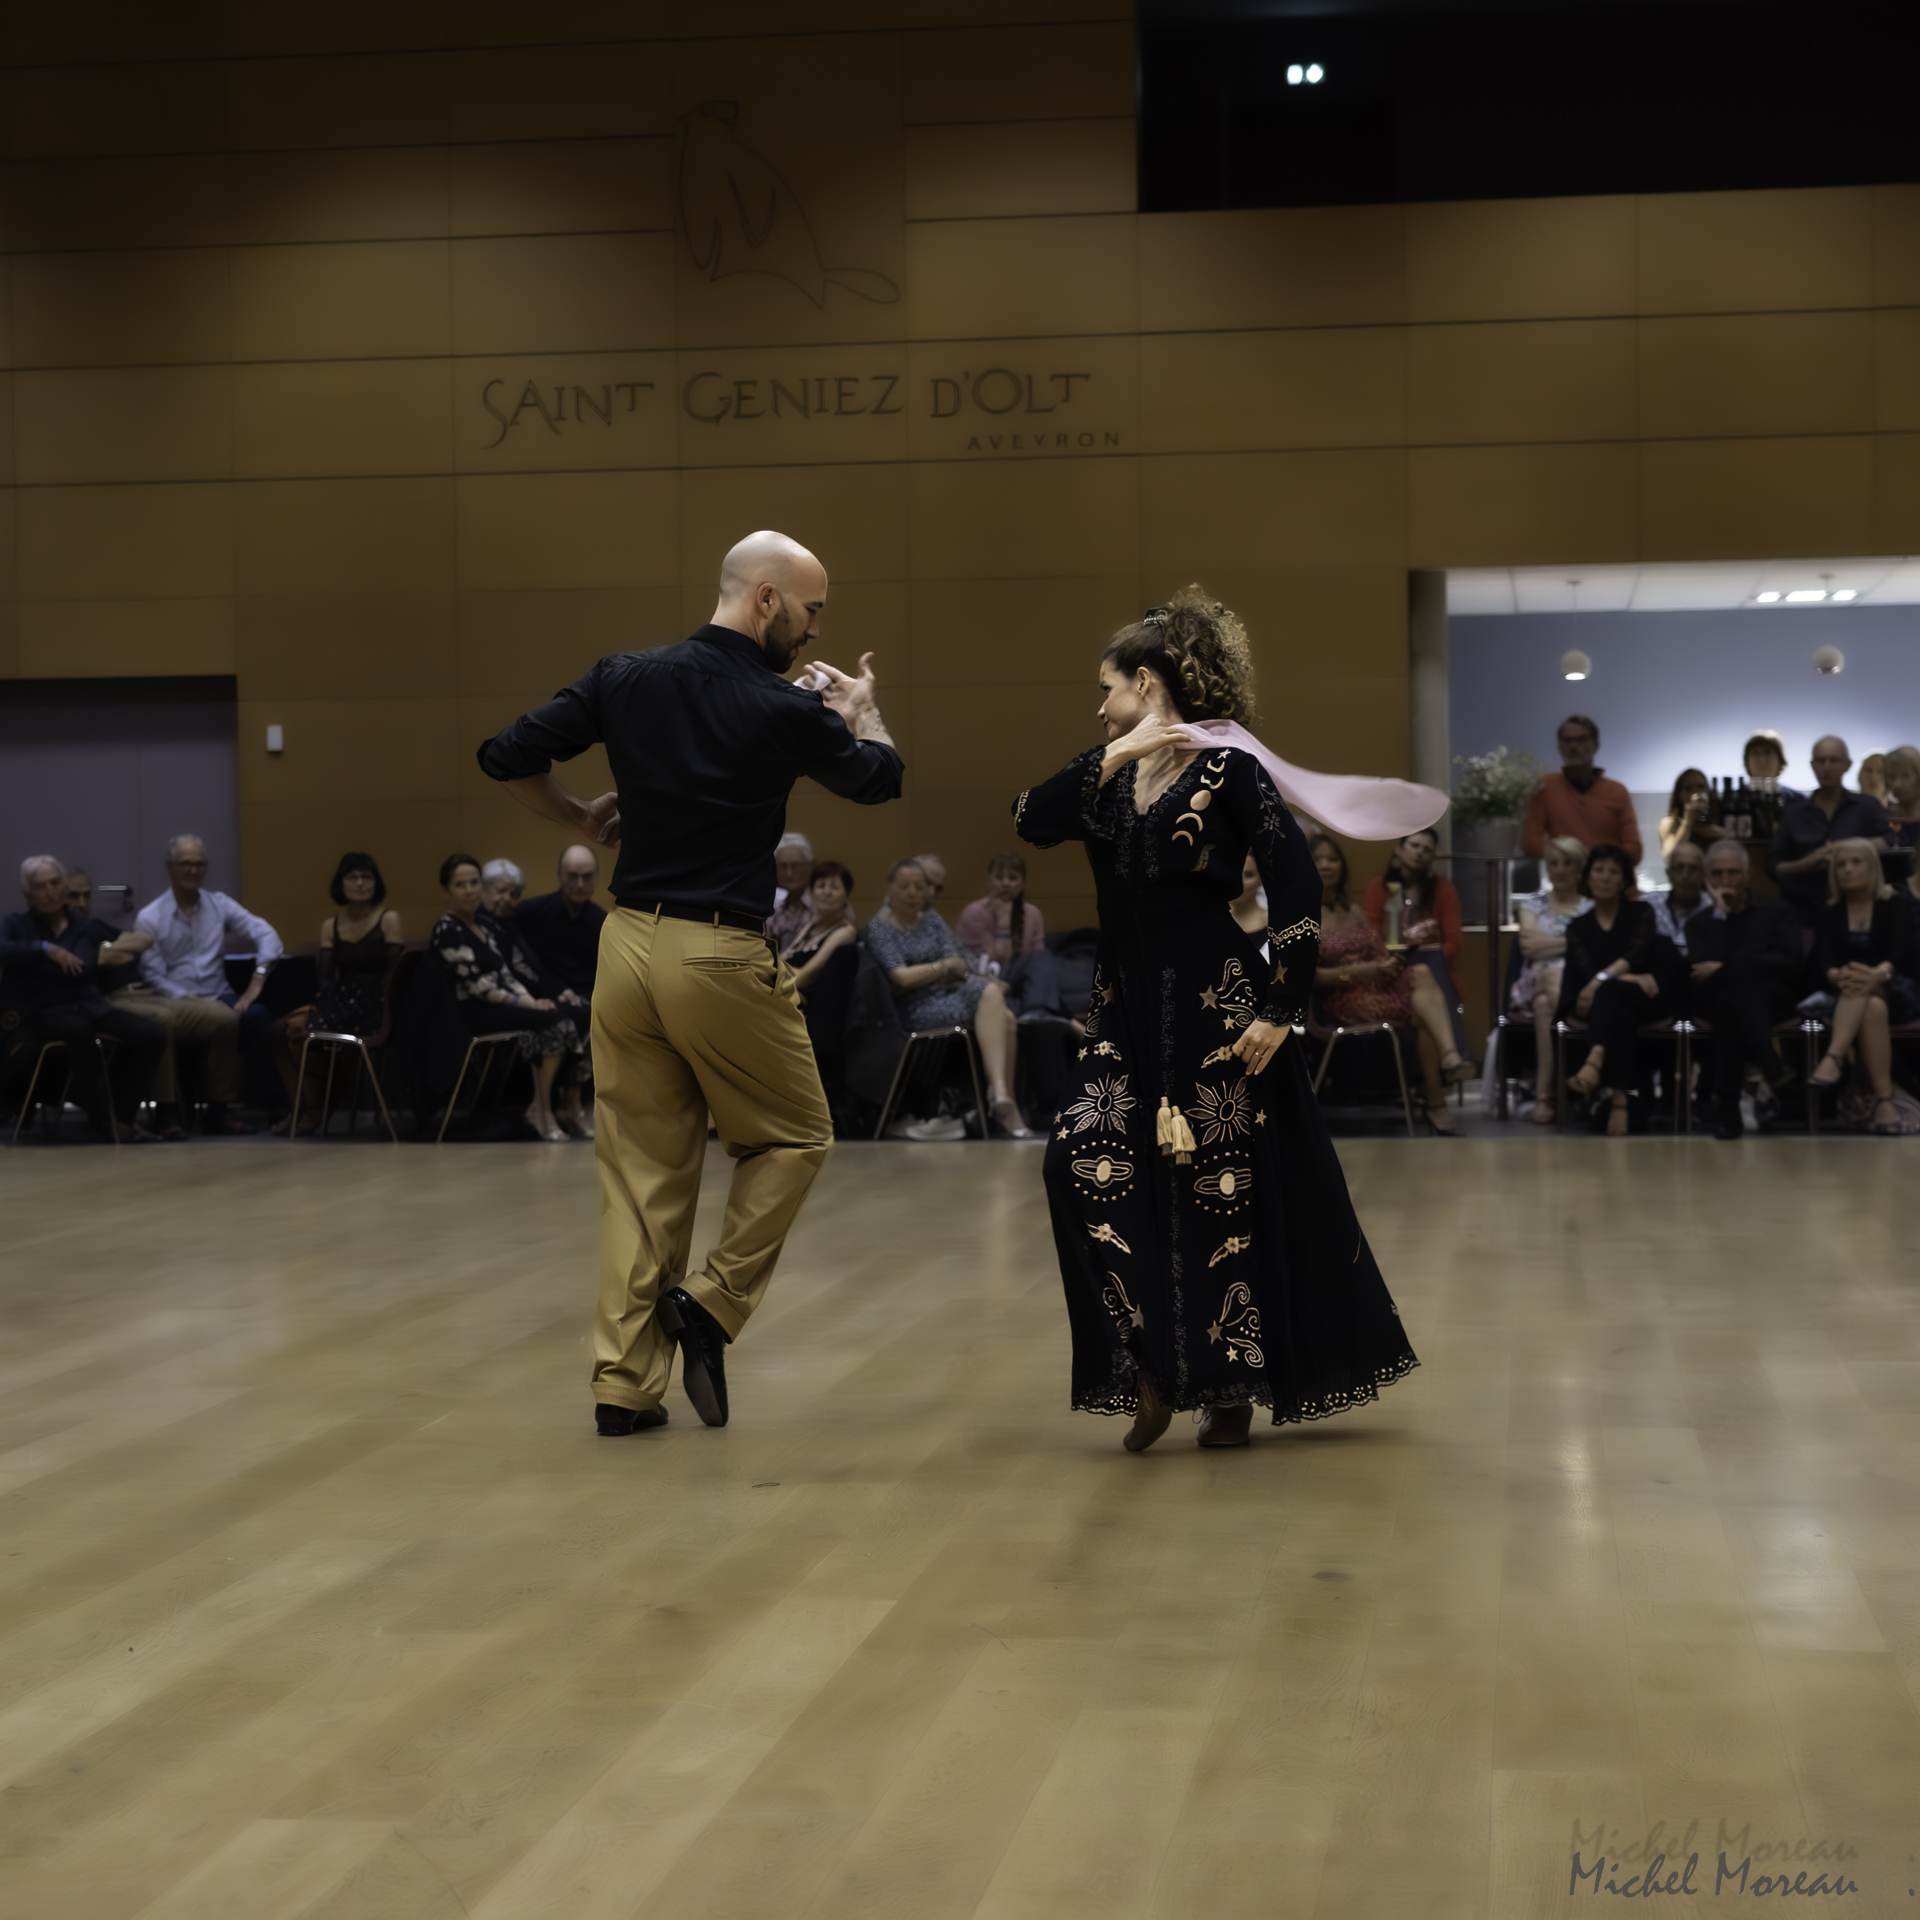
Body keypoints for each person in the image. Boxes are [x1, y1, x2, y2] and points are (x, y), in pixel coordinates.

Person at [477, 529, 905, 1436]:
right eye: (811, 610)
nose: (817, 633)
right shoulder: (785, 708)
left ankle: (625, 1390)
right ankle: (711, 1305)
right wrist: (864, 712)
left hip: (625, 947)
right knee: (794, 1136)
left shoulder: (626, 675)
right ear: (764, 601)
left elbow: (505, 755)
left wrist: (576, 820)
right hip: (718, 951)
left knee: (640, 1169)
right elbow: (878, 783)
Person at [1013, 586, 1418, 1453]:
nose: (1099, 704)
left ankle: (1227, 1382)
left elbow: (1298, 885)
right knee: (1072, 1166)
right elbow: (1025, 816)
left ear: (1148, 681)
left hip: (1217, 1010)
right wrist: (1115, 756)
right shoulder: (1104, 777)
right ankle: (1151, 1357)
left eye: (1108, 686)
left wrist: (1281, 1004)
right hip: (1123, 1015)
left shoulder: (1229, 768)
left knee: (1215, 1192)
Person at [112, 834, 283, 1137]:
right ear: (170, 867)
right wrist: (196, 1004)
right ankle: (169, 1112)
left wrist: (258, 978)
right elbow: (153, 977)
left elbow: (267, 934)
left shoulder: (219, 905)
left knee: (257, 1017)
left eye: (200, 863)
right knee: (170, 1023)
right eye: (186, 863)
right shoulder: (151, 916)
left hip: (220, 994)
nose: (193, 870)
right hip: (175, 1000)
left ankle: (268, 1110)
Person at [1311, 833, 1474, 1134]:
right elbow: (1313, 978)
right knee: (1424, 1012)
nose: (1325, 865)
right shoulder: (1300, 915)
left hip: (1374, 985)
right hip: (1337, 998)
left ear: (1342, 866)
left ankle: (1449, 1060)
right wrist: (1362, 972)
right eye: (1317, 859)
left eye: (1332, 859)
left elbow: (1380, 955)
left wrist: (1388, 964)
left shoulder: (1353, 911)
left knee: (1423, 972)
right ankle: (1439, 1096)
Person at [1, 856, 165, 1142]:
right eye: (41, 886)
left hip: (90, 1006)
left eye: (55, 883)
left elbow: (142, 939)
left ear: (64, 888)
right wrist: (45, 949)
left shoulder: (86, 927)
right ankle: (99, 1118)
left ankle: (122, 1118)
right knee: (79, 1030)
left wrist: (105, 952)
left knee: (150, 1034)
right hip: (45, 1012)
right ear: (28, 893)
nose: (50, 891)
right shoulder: (17, 925)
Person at [864, 858, 1032, 1137]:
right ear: (890, 888)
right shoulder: (879, 928)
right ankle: (1002, 1099)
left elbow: (961, 962)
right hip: (912, 1009)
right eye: (904, 886)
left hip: (949, 995)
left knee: (1007, 1017)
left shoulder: (931, 919)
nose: (913, 892)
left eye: (920, 886)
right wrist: (942, 968)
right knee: (993, 998)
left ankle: (1002, 1100)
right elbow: (901, 978)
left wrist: (940, 970)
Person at [431, 855, 583, 1143]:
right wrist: (524, 1004)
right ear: (447, 890)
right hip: (470, 1013)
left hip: (499, 1008)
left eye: (474, 882)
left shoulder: (482, 927)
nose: (469, 890)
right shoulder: (447, 929)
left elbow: (506, 974)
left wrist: (529, 999)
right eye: (460, 884)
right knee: (555, 1022)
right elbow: (478, 986)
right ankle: (542, 1110)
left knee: (549, 1022)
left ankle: (540, 1107)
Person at [268, 852, 403, 1136]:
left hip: (377, 1003)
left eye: (366, 876)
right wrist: (324, 1006)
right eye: (352, 877)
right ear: (340, 883)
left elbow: (395, 975)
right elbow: (327, 978)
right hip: (341, 999)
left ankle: (315, 1110)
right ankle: (302, 1109)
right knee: (280, 1030)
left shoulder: (389, 918)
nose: (359, 883)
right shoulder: (331, 924)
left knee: (304, 1032)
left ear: (375, 882)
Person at [1685, 839, 1803, 1140]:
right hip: (1717, 1000)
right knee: (1729, 999)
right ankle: (1768, 1060)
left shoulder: (1776, 909)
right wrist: (1721, 915)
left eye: (1733, 872)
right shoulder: (1701, 923)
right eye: (1718, 874)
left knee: (1736, 989)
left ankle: (1727, 1109)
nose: (1726, 880)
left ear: (1747, 874)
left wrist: (1730, 966)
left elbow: (1791, 961)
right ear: (1707, 879)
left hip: (1772, 997)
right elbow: (1700, 970)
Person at [1558, 843, 1678, 1136]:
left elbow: (1636, 956)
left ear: (1624, 881)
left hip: (1645, 999)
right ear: (1587, 878)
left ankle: (1594, 1062)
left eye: (1614, 872)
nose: (1606, 877)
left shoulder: (1641, 911)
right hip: (1606, 1002)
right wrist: (1628, 979)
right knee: (1618, 1013)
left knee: (1610, 994)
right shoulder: (1578, 926)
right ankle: (1622, 1102)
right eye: (1599, 870)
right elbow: (1586, 972)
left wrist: (1605, 981)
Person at [1805, 839, 1916, 1136]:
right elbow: (1823, 957)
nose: (1847, 869)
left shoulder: (1897, 903)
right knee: (1871, 1005)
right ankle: (1885, 1102)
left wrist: (1878, 973)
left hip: (1897, 987)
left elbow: (1903, 952)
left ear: (1872, 866)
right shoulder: (1828, 910)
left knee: (1865, 989)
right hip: (1847, 992)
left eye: (1855, 862)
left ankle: (1834, 1056)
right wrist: (1835, 974)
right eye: (1841, 864)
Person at [1361, 827, 1474, 1067]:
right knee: (1419, 965)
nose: (1420, 853)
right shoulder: (1381, 888)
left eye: (1427, 849)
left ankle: (1452, 1061)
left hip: (1436, 970)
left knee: (1429, 962)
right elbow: (1372, 941)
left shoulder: (1442, 889)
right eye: (1414, 846)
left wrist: (1419, 954)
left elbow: (1454, 945)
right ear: (1399, 849)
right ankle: (1456, 1056)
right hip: (1389, 969)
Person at [1766, 735, 1890, 920]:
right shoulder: (1793, 814)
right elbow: (1772, 867)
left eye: (1834, 760)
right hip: (1802, 909)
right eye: (1820, 761)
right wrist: (1805, 864)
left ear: (1847, 765)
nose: (1826, 767)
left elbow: (1892, 841)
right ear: (1812, 765)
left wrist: (1850, 848)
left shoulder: (1868, 807)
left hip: (1857, 909)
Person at [1511, 835, 1588, 1125]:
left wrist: (1552, 942)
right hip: (1535, 979)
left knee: (1546, 1004)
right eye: (1553, 863)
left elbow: (1595, 951)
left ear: (1580, 867)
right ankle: (1574, 1085)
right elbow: (1529, 946)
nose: (1559, 869)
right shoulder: (1532, 905)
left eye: (1567, 863)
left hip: (1578, 982)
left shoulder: (1591, 906)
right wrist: (1575, 941)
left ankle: (1546, 1094)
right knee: (1551, 977)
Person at [1520, 714, 1643, 867]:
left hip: (1611, 885)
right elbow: (1531, 844)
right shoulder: (1545, 787)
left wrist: (1594, 861)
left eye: (1581, 739)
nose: (1573, 746)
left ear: (1595, 745)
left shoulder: (1617, 791)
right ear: (1559, 746)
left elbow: (1634, 850)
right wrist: (1575, 856)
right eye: (1567, 740)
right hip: (1569, 885)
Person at [518, 845, 608, 1002]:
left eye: (587, 876)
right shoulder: (530, 912)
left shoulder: (604, 923)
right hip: (544, 999)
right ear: (559, 875)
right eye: (573, 876)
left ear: (596, 877)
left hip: (588, 1004)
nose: (580, 885)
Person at [955, 851, 1046, 969]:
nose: (1006, 883)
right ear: (989, 881)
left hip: (1025, 974)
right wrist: (1003, 922)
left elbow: (1039, 959)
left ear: (1023, 883)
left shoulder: (1033, 913)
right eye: (999, 877)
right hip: (983, 975)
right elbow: (998, 962)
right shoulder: (973, 913)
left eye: (1013, 878)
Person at [783, 859, 858, 998]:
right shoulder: (810, 926)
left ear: (846, 894)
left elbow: (802, 979)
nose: (827, 892)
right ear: (811, 892)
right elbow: (782, 960)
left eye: (835, 887)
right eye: (821, 886)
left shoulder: (845, 932)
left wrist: (773, 967)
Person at [1650, 839, 1709, 956]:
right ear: (1669, 873)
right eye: (1679, 867)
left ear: (1704, 875)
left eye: (1693, 868)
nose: (1685, 875)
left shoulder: (1713, 908)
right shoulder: (1649, 906)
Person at [1657, 768, 1720, 861]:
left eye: (1701, 787)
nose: (1696, 793)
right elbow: (1670, 858)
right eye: (1688, 789)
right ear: (1679, 795)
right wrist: (1688, 821)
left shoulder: (1717, 820)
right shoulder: (1671, 823)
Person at [766, 832, 815, 949]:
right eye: (783, 866)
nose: (789, 874)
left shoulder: (826, 899)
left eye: (796, 865)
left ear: (812, 866)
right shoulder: (769, 902)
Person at [1230, 849, 1266, 939]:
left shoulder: (1274, 925)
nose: (1239, 881)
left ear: (1261, 880)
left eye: (1248, 875)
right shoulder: (1207, 921)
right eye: (1234, 873)